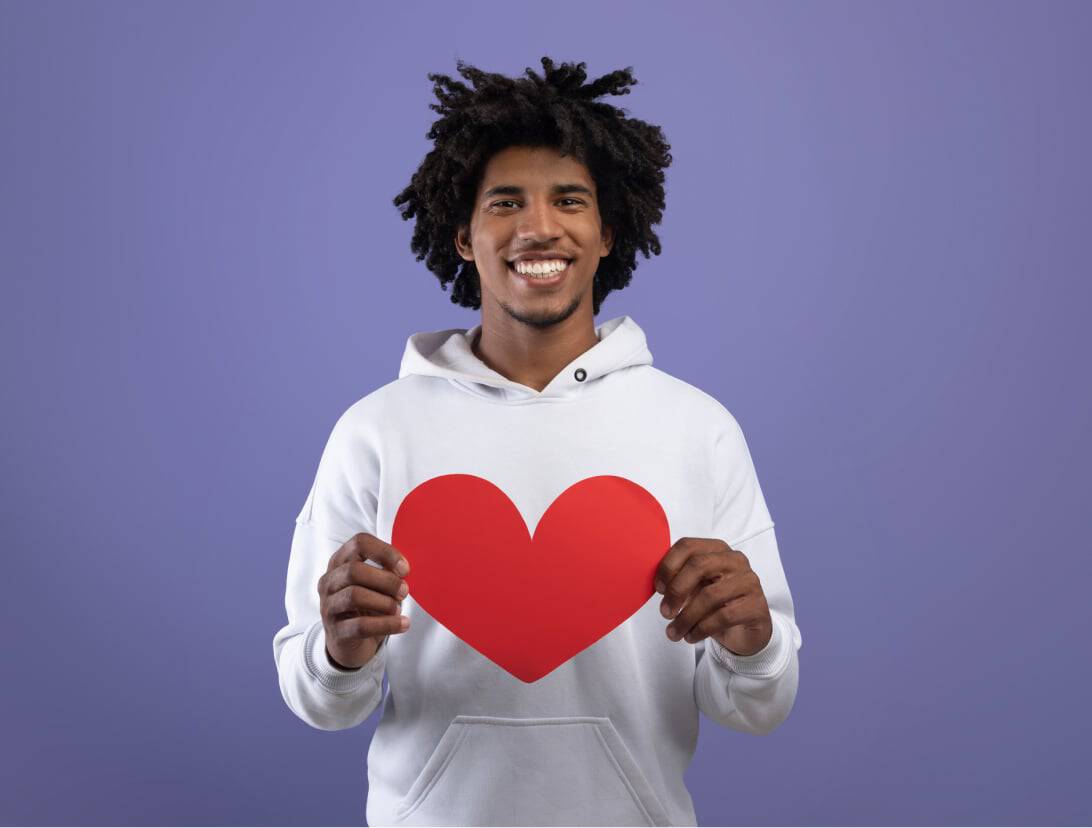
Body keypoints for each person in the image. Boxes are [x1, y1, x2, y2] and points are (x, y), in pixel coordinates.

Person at [272, 56, 802, 827]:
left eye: (569, 200)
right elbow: (319, 698)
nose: (538, 227)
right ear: (463, 235)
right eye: (506, 202)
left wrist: (752, 643)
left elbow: (757, 706)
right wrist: (339, 650)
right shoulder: (376, 431)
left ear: (607, 231)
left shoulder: (698, 428)